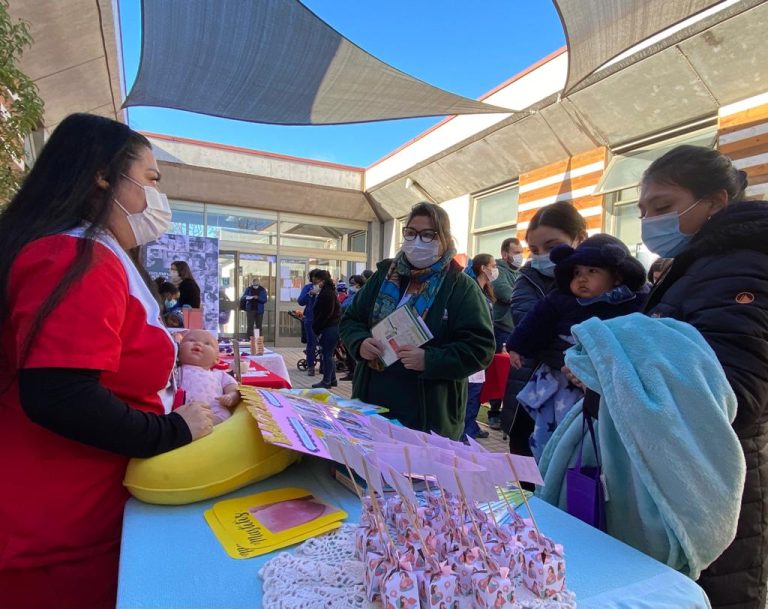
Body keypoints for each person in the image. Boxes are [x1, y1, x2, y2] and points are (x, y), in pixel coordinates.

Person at [0, 113, 213, 609]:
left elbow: (108, 351)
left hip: (69, 509)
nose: (154, 200)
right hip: (60, 521)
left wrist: (172, 348)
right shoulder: (77, 255)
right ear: (103, 175)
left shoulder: (94, 252)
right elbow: (59, 393)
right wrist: (172, 431)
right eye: (150, 180)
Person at [637, 145, 768, 609]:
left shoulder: (739, 264)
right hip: (692, 469)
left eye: (664, 207)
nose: (650, 222)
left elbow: (737, 389)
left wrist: (625, 358)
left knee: (717, 592)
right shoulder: (700, 265)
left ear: (716, 202)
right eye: (643, 211)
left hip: (720, 477)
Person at [340, 202, 495, 439]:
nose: (417, 241)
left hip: (427, 411)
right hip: (373, 400)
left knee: (418, 474)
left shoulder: (460, 287)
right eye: (410, 233)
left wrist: (430, 360)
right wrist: (359, 342)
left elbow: (480, 348)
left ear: (444, 238)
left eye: (428, 234)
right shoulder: (384, 276)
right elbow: (351, 319)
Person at [506, 234, 647, 458]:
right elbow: (535, 322)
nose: (582, 278)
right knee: (550, 430)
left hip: (602, 386)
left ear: (617, 276)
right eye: (577, 272)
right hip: (559, 380)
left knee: (591, 441)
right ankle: (548, 462)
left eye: (592, 271)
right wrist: (517, 347)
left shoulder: (633, 303)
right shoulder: (560, 299)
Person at [503, 202, 587, 456]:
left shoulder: (602, 277)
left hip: (586, 403)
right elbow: (531, 329)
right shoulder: (527, 279)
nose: (543, 256)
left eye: (552, 247)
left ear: (579, 239)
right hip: (533, 394)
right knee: (529, 475)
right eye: (535, 249)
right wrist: (580, 358)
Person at [487, 237, 524, 429]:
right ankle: (493, 412)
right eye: (516, 252)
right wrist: (524, 296)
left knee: (514, 374)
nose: (520, 256)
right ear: (505, 254)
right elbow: (505, 294)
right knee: (498, 371)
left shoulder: (520, 273)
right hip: (502, 328)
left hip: (517, 329)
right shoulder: (498, 271)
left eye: (521, 252)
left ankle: (509, 414)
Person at [462, 254, 497, 441]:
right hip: (471, 349)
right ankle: (466, 432)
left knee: (476, 391)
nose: (495, 269)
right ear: (483, 268)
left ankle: (471, 426)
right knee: (471, 391)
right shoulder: (470, 289)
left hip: (482, 348)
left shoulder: (485, 290)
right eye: (493, 265)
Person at [177, 330, 241, 424]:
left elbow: (235, 389)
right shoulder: (175, 371)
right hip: (185, 412)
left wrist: (231, 397)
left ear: (217, 359)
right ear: (178, 351)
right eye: (191, 340)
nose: (198, 343)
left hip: (214, 411)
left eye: (207, 343)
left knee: (224, 417)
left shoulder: (219, 375)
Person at [311, 270, 342, 389]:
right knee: (329, 354)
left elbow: (325, 313)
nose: (315, 283)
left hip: (329, 327)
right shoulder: (328, 291)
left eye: (316, 280)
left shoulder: (327, 293)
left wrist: (318, 328)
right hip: (330, 326)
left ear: (322, 280)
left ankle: (326, 381)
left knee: (327, 354)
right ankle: (332, 379)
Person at [339, 274, 367, 381]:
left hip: (358, 328)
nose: (351, 286)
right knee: (348, 351)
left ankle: (353, 371)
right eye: (350, 283)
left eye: (353, 284)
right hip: (348, 329)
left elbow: (346, 307)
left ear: (359, 285)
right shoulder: (350, 295)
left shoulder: (361, 295)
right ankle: (351, 371)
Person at [297, 269, 321, 376]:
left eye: (318, 277)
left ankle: (324, 367)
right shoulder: (308, 287)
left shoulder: (326, 288)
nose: (316, 279)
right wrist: (310, 294)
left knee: (324, 344)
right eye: (314, 277)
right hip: (310, 319)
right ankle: (311, 366)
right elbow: (301, 301)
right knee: (311, 343)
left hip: (324, 320)